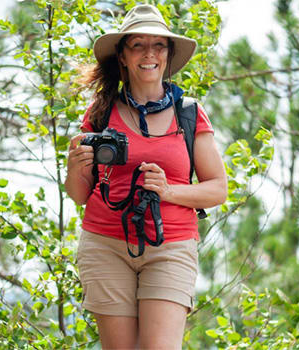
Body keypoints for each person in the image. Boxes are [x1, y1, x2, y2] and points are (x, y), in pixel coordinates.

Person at [65, 4, 227, 350]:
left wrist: (168, 192)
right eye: (138, 44)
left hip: (171, 245)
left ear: (168, 55)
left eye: (159, 46)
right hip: (105, 244)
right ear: (122, 56)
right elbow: (79, 196)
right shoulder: (100, 111)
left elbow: (218, 189)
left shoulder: (189, 113)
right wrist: (75, 166)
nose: (149, 54)